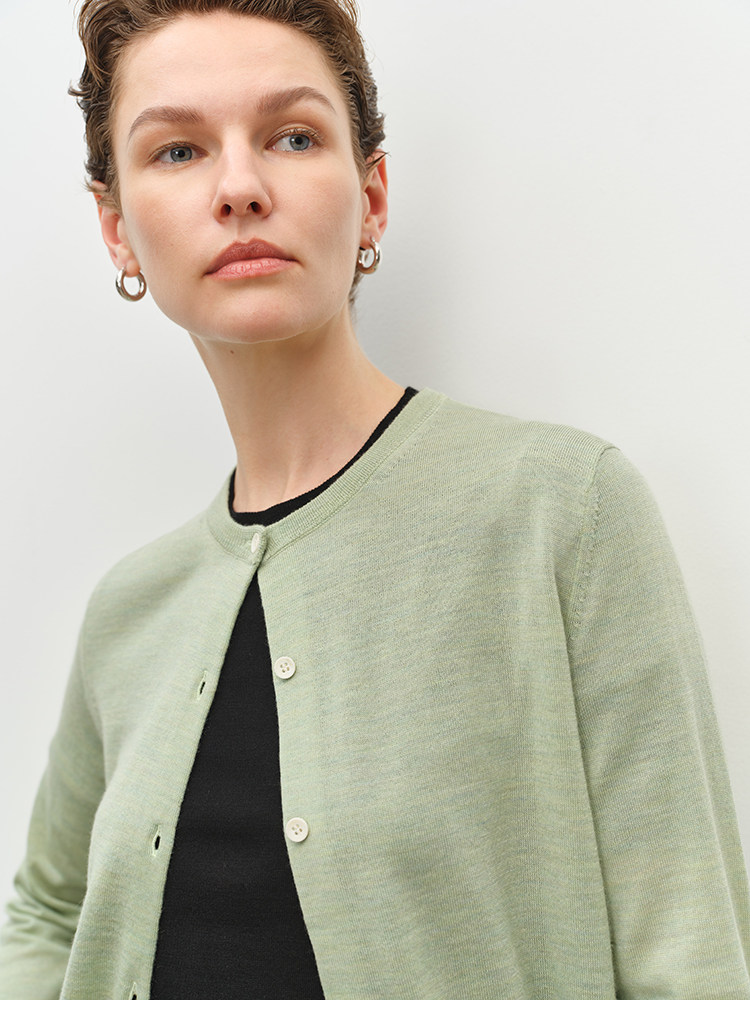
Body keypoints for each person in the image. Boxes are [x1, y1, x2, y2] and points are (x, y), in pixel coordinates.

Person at [0, 0, 748, 1001]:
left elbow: (689, 957)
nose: (239, 187)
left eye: (292, 137)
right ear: (116, 229)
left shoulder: (562, 512)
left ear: (373, 197)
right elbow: (47, 912)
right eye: (178, 151)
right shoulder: (129, 610)